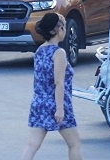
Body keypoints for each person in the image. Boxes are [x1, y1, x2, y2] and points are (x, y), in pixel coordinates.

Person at [20, 13, 82, 160]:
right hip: (56, 103)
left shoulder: (40, 50)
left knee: (32, 145)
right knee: (74, 143)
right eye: (64, 27)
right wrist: (60, 109)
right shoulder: (58, 53)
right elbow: (58, 83)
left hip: (39, 103)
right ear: (58, 29)